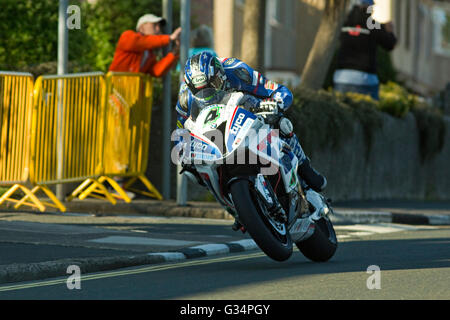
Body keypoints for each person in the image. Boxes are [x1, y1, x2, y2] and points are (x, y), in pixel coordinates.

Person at [175, 51, 327, 198]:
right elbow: (181, 130)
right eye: (200, 90)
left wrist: (275, 105)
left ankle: (305, 169)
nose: (209, 94)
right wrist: (184, 151)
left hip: (247, 112)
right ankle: (234, 208)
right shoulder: (185, 98)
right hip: (214, 135)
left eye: (213, 84)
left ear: (220, 75)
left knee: (281, 123)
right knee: (196, 171)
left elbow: (279, 91)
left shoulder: (236, 70)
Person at [333, 0, 397, 100]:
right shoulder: (373, 25)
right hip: (365, 78)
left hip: (341, 76)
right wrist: (389, 31)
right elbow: (390, 44)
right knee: (369, 111)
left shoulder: (343, 22)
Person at [109, 13, 182, 77]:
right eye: (154, 25)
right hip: (115, 87)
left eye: (159, 26)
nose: (158, 29)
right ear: (142, 27)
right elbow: (140, 42)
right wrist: (169, 38)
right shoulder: (128, 36)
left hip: (131, 91)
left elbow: (156, 71)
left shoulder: (149, 53)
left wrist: (175, 51)